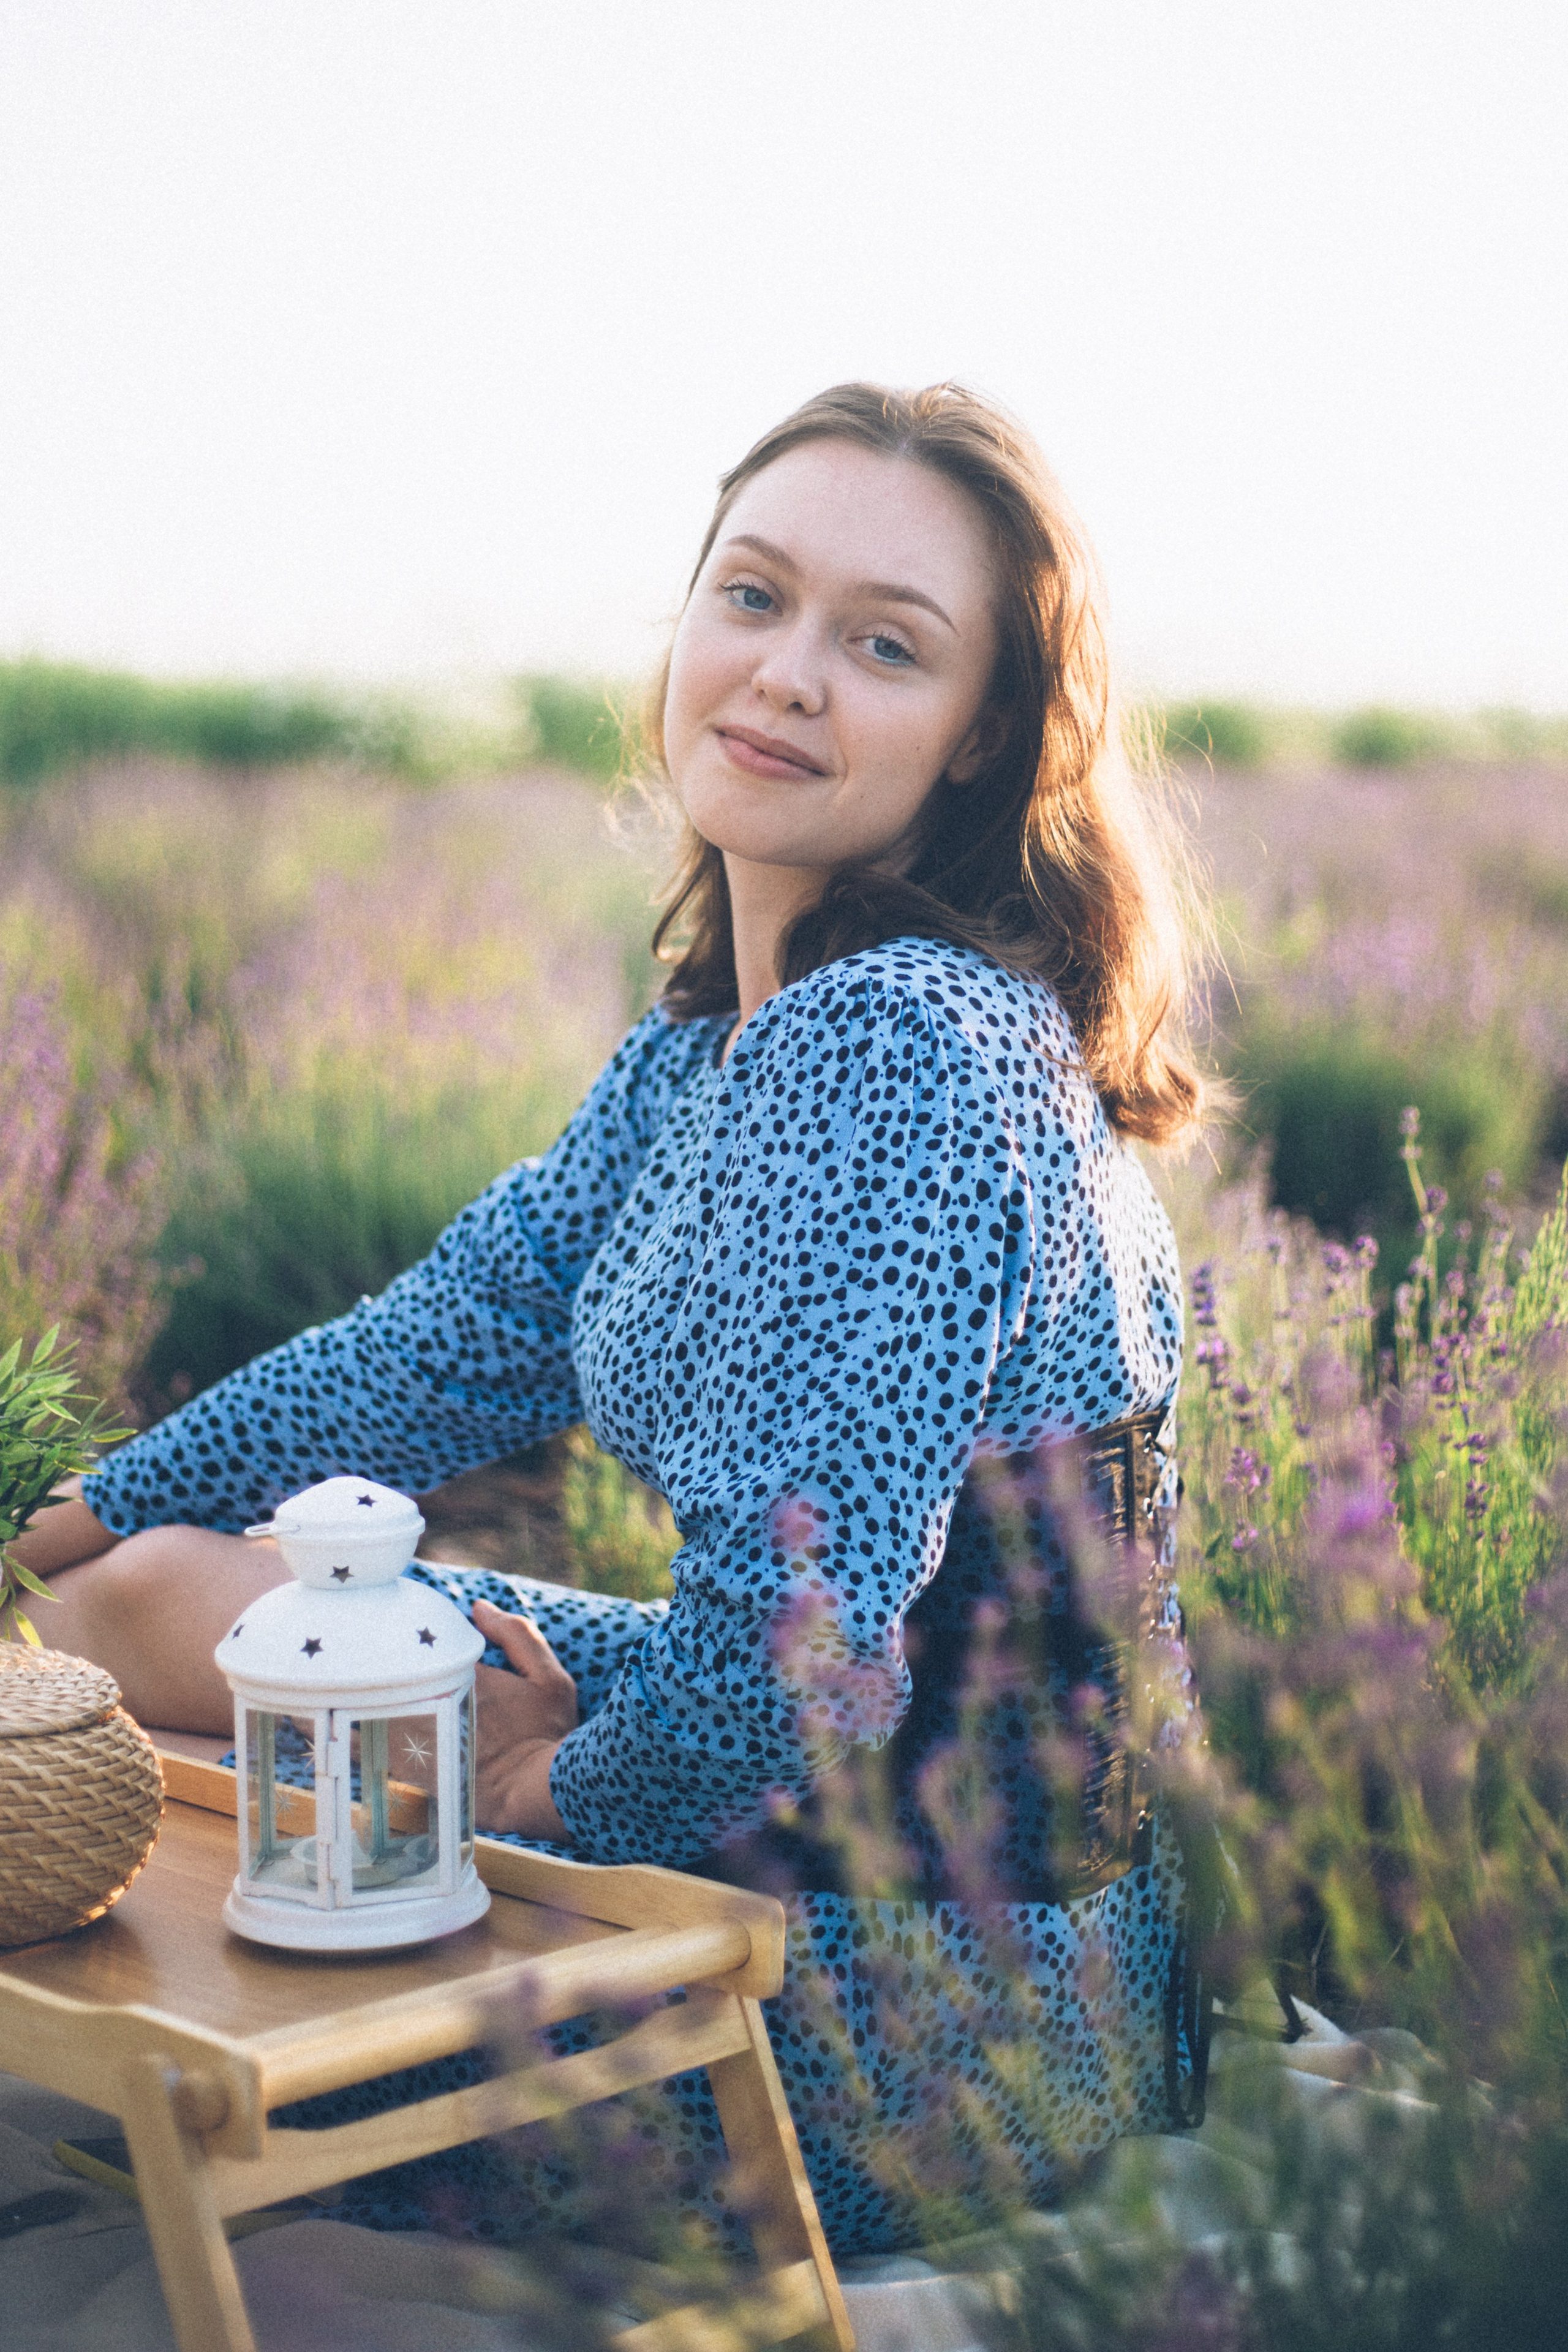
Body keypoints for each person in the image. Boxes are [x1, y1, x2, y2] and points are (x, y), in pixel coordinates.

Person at [13, 382, 1212, 2256]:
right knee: (138, 1596)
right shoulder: (718, 1042)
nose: (786, 674)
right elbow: (437, 1343)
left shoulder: (901, 1049)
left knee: (169, 1989)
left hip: (940, 2005)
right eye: (756, 596)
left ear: (984, 732)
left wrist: (550, 1788)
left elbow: (799, 1668)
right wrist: (60, 1515)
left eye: (884, 644)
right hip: (808, 1799)